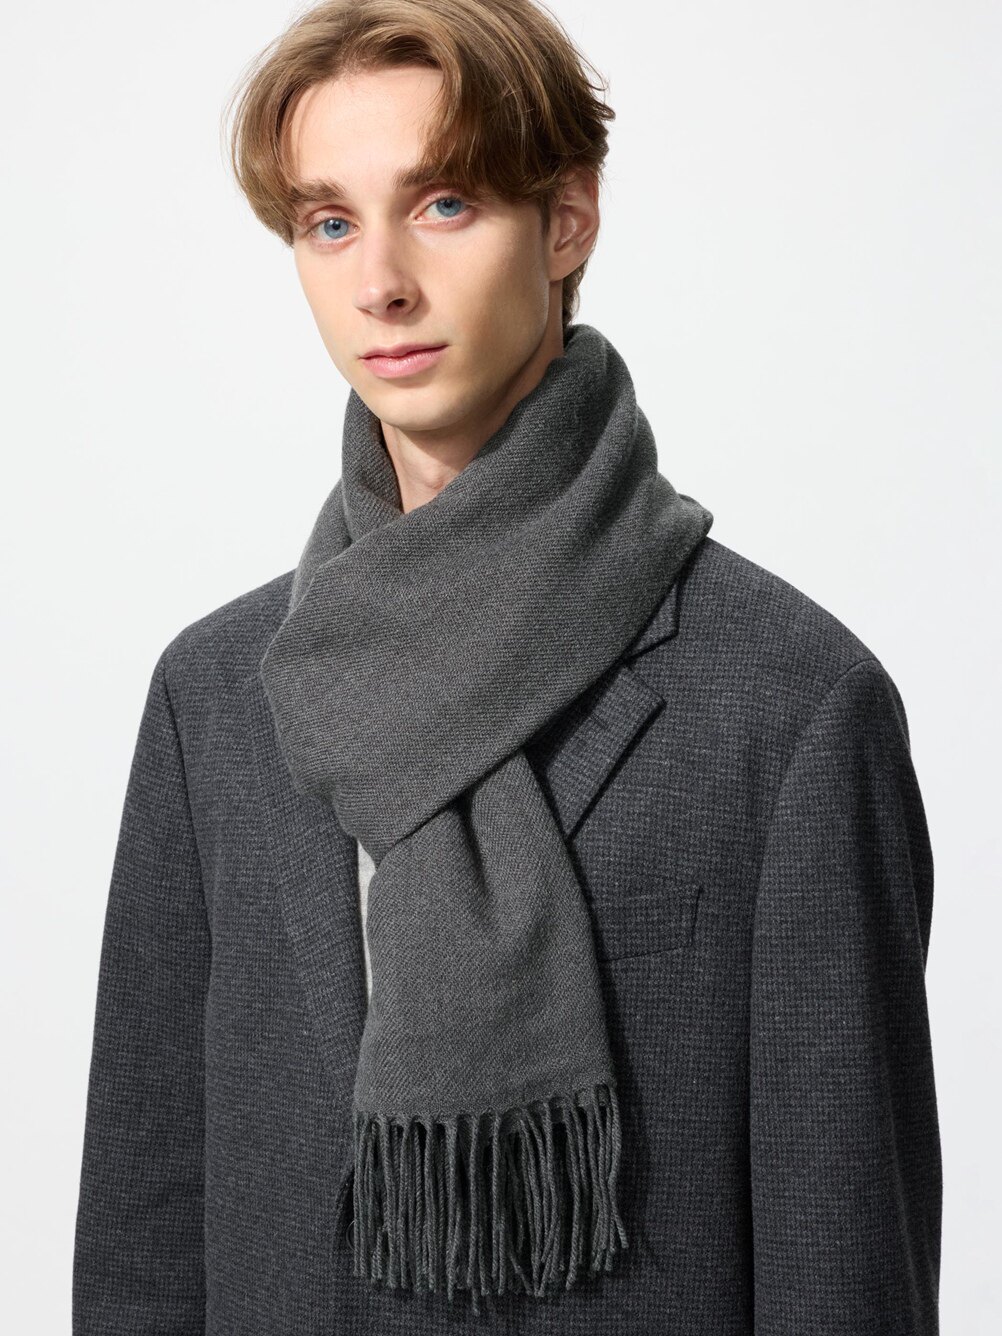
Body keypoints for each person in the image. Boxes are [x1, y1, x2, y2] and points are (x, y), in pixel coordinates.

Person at [72, 2, 942, 1333]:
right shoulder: (215, 696)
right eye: (328, 223)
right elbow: (147, 1212)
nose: (380, 283)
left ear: (567, 219)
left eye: (443, 205)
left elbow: (844, 1262)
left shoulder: (792, 706)